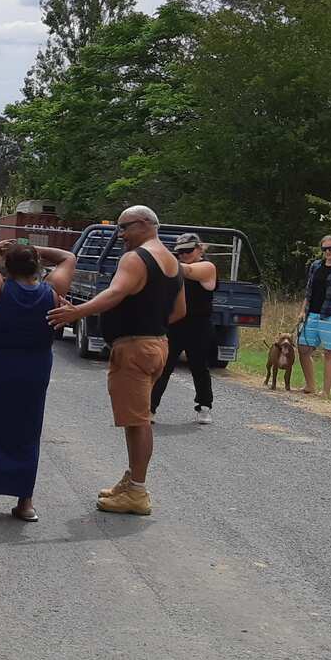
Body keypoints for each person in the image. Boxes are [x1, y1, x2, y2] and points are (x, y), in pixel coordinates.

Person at [48, 205, 185, 516]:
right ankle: (132, 481)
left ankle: (137, 491)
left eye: (124, 227)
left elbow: (115, 293)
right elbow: (179, 312)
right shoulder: (173, 263)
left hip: (135, 348)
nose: (120, 235)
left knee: (138, 421)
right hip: (157, 345)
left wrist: (76, 312)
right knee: (137, 417)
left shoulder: (135, 258)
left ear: (145, 224)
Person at [0, 240, 77, 524]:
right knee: (27, 431)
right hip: (34, 373)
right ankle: (26, 503)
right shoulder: (52, 292)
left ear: (5, 265)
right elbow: (68, 256)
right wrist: (35, 251)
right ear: (37, 265)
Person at [150, 233, 217, 425]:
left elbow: (186, 270)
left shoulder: (207, 267)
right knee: (163, 367)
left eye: (189, 250)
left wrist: (157, 257)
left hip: (199, 325)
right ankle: (150, 409)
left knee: (199, 367)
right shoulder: (173, 268)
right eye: (180, 251)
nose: (184, 254)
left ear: (199, 249)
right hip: (175, 323)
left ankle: (204, 406)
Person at [298, 235, 331, 397]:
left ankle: (326, 391)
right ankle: (310, 385)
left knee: (329, 352)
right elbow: (309, 290)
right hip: (312, 312)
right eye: (324, 249)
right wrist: (302, 310)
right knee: (303, 347)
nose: (327, 251)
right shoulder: (315, 265)